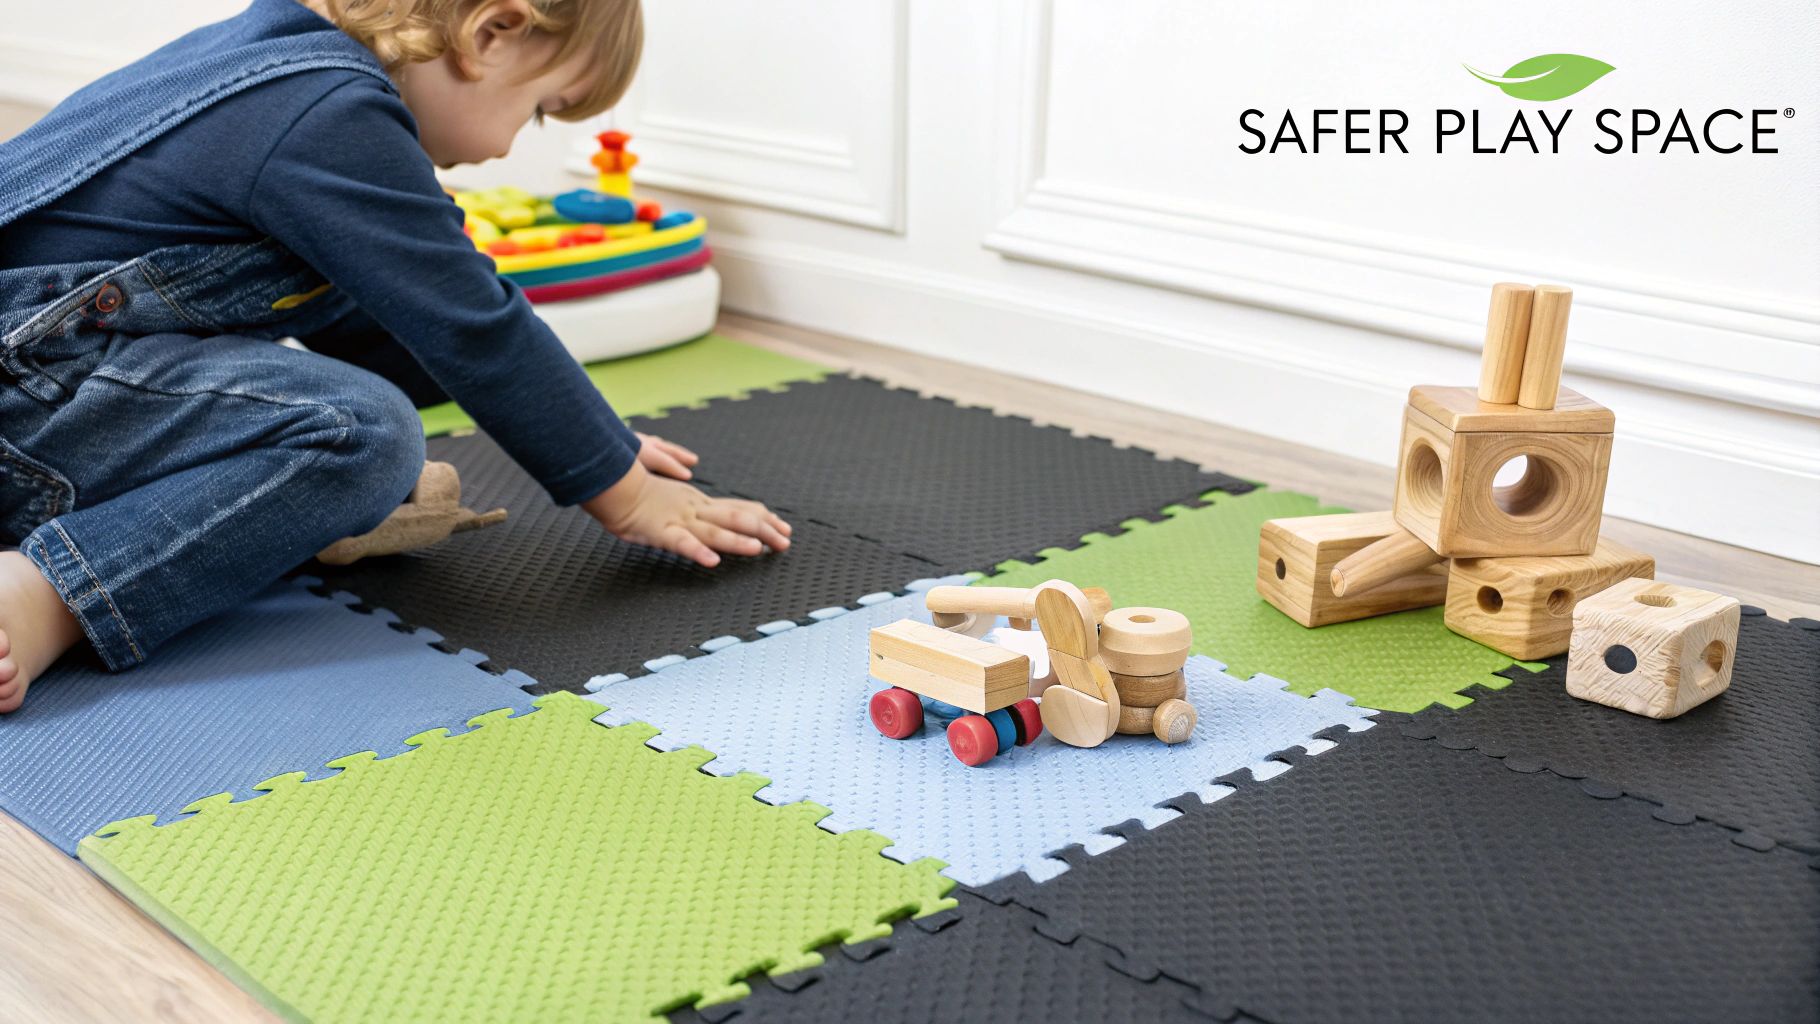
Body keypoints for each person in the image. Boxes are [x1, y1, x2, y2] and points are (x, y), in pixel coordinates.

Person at [0, 0, 789, 712]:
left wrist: (593, 443)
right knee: (361, 436)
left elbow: (373, 316)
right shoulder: (330, 116)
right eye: (541, 109)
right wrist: (625, 494)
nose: (518, 140)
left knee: (352, 436)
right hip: (27, 396)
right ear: (492, 33)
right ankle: (53, 594)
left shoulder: (272, 58)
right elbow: (473, 324)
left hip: (43, 383)